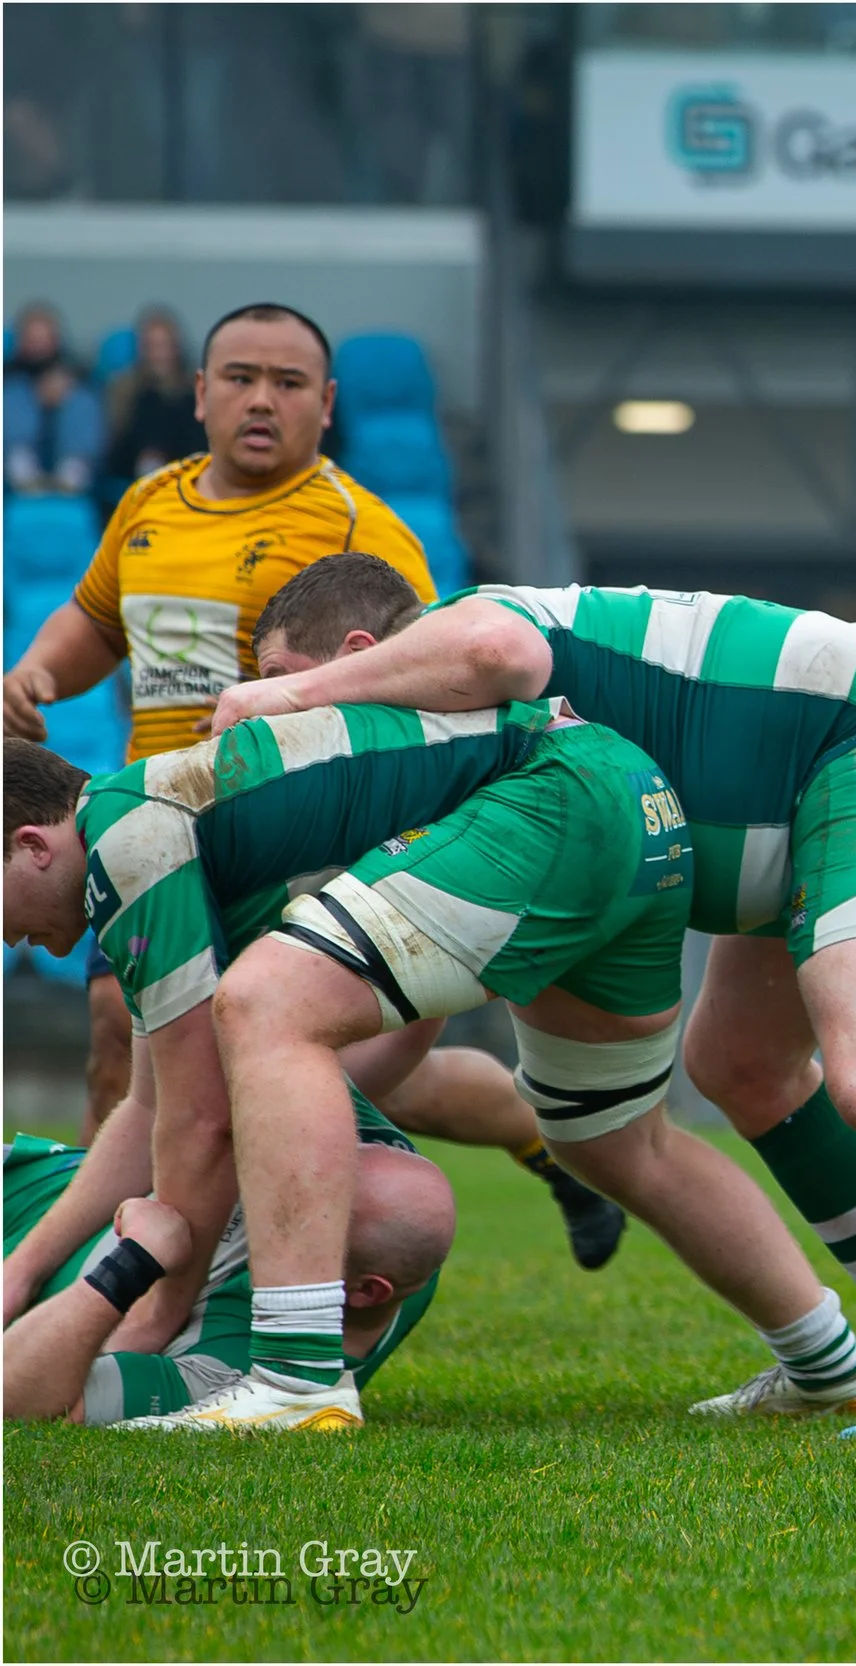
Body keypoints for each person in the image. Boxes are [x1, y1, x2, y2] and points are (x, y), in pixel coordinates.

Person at [214, 577, 856, 1441]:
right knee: (738, 1069)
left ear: (365, 656)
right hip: (795, 788)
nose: (280, 719)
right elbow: (412, 1014)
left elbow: (498, 648)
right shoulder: (447, 742)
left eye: (287, 680)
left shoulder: (460, 631)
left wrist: (289, 692)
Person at [1, 707, 856, 1434]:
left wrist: (152, 1315)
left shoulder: (127, 837)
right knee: (619, 1139)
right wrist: (28, 1269)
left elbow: (199, 1122)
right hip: (630, 796)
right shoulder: (191, 838)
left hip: (551, 798)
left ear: (34, 846)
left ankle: (298, 1379)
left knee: (268, 1013)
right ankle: (833, 1367)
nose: (8, 939)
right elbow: (165, 1099)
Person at [0, 305, 620, 1270]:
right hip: (149, 841)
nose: (261, 399)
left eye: (288, 384)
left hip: (295, 848)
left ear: (327, 406)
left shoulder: (359, 530)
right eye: (239, 376)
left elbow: (428, 700)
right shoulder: (149, 502)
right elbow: (93, 617)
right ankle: (127, 1257)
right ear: (197, 392)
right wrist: (38, 672)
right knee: (123, 1038)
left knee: (339, 1075)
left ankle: (547, 1142)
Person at [2, 1111, 453, 1426]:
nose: (274, 1189)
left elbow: (15, 1396)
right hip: (30, 1173)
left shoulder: (238, 1374)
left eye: (303, 1216)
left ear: (365, 1291)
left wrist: (134, 1262)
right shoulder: (401, 1241)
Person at [3, 303, 106, 497]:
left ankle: (74, 469)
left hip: (64, 443)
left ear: (56, 340)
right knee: (13, 395)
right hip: (17, 453)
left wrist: (65, 386)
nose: (38, 347)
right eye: (32, 339)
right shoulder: (8, 371)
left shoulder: (76, 369)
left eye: (43, 339)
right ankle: (22, 471)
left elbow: (91, 379)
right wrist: (37, 395)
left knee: (82, 398)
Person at [100, 307, 208, 491]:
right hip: (130, 464)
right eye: (151, 346)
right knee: (150, 401)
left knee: (185, 403)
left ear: (176, 348)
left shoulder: (194, 385)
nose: (158, 354)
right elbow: (115, 435)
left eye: (164, 346)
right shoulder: (123, 386)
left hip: (187, 460)